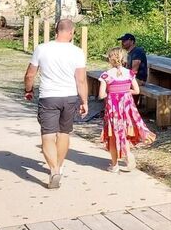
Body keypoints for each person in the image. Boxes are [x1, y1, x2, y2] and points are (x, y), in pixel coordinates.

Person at [24, 18, 88, 189]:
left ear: (56, 31)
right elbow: (81, 80)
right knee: (64, 133)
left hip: (49, 97)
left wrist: (28, 90)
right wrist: (84, 101)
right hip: (69, 97)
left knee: (48, 135)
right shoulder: (77, 52)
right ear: (71, 32)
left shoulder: (42, 49)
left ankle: (53, 170)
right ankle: (58, 167)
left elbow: (30, 75)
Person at [98, 47, 156, 173]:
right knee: (124, 133)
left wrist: (111, 93)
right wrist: (126, 91)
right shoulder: (129, 74)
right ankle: (128, 156)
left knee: (113, 135)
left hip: (113, 110)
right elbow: (137, 91)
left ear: (110, 59)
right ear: (124, 59)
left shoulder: (106, 75)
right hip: (127, 109)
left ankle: (114, 165)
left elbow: (101, 95)